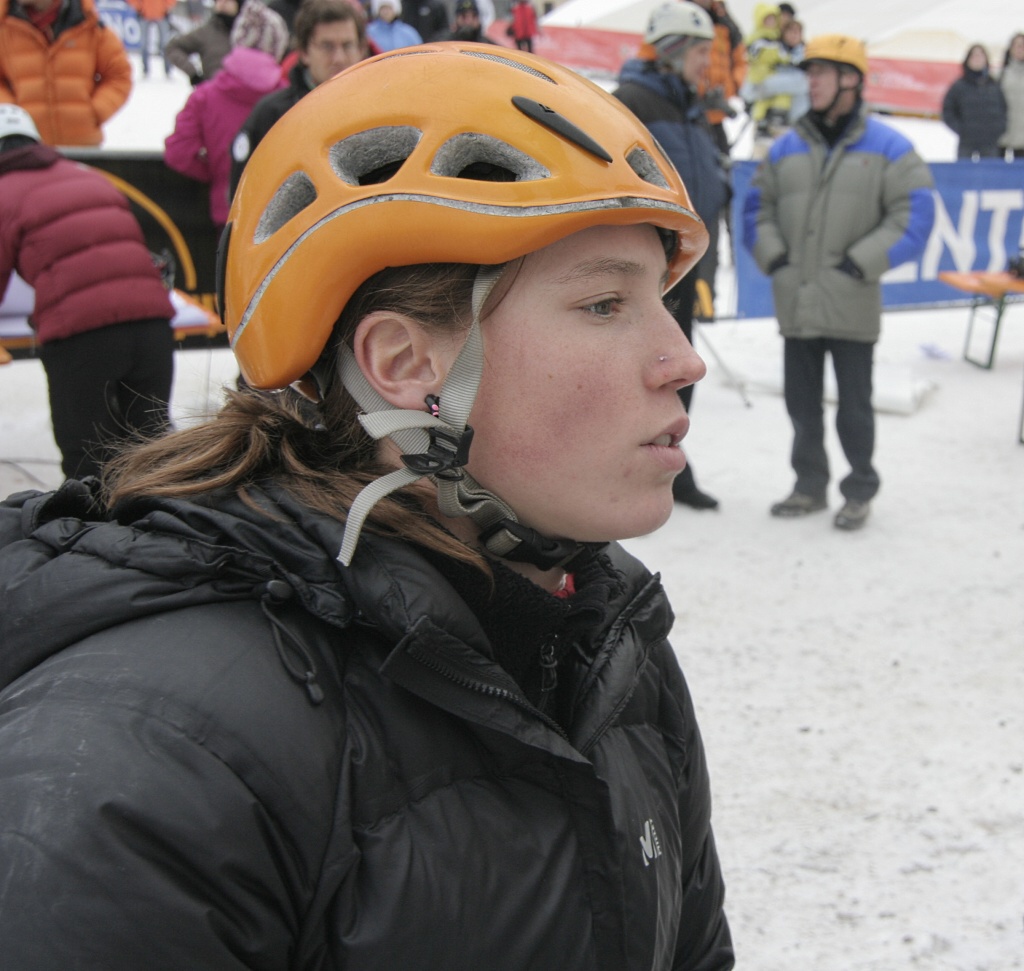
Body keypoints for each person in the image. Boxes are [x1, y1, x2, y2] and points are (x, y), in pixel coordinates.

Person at [0, 43, 734, 970]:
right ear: (403, 365)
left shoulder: (611, 641)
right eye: (602, 304)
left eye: (663, 302)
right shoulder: (149, 759)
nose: (683, 359)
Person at [742, 34, 935, 530]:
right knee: (802, 408)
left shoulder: (890, 147)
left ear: (851, 79)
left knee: (854, 411)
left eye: (822, 72)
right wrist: (776, 258)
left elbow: (916, 214)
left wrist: (859, 263)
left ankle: (859, 489)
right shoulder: (786, 147)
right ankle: (809, 486)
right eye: (810, 74)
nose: (813, 83)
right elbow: (755, 208)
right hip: (798, 303)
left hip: (851, 302)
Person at [0, 104, 174, 479]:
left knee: (86, 457)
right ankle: (165, 528)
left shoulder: (3, 192)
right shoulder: (88, 176)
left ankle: (91, 534)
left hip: (82, 336)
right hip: (152, 326)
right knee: (154, 449)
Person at [614, 0, 728, 510]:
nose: (707, 61)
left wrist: (708, 263)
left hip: (689, 264)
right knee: (641, 374)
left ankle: (671, 464)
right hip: (651, 270)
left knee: (681, 373)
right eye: (701, 50)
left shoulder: (693, 108)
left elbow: (707, 191)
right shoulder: (633, 101)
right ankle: (620, 465)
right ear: (675, 48)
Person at [230, 0, 367, 194]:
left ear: (361, 50)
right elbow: (243, 197)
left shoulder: (382, 112)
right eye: (327, 46)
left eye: (347, 45)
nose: (339, 58)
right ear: (304, 52)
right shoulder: (273, 115)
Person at [165, 42, 284, 229]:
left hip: (228, 211)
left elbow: (179, 151)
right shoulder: (290, 96)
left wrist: (218, 171)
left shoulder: (204, 96)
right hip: (283, 213)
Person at [0, 0, 131, 146]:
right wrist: (11, 113)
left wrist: (95, 111)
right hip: (26, 150)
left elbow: (119, 75)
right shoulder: (4, 27)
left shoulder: (89, 24)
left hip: (82, 148)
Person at [941, 43, 1007, 160]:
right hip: (967, 142)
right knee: (964, 175)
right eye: (974, 56)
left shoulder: (994, 85)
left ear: (986, 60)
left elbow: (1004, 109)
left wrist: (998, 129)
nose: (977, 59)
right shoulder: (959, 86)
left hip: (989, 143)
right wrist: (961, 129)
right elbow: (948, 110)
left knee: (989, 175)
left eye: (981, 56)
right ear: (968, 60)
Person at [165, 0, 240, 84]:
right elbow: (173, 47)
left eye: (228, 1)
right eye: (218, 1)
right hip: (215, 92)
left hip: (248, 94)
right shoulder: (206, 32)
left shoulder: (251, 33)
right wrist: (194, 74)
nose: (222, 3)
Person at [128, 0, 176, 78]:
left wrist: (166, 8)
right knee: (144, 44)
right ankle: (145, 70)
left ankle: (168, 70)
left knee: (165, 44)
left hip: (161, 15)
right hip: (144, 15)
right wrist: (139, 8)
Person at [1000, 32, 1024, 159]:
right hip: (1003, 135)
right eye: (1017, 45)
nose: (1020, 49)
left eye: (1023, 45)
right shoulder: (1001, 74)